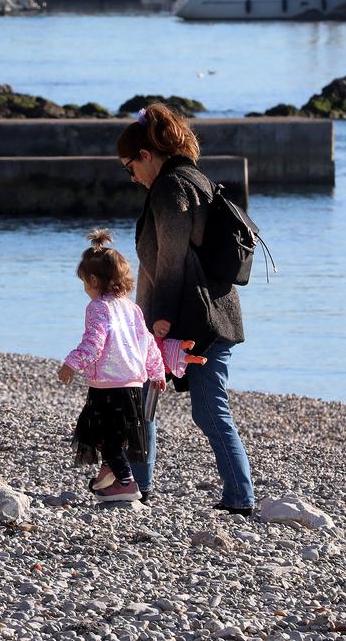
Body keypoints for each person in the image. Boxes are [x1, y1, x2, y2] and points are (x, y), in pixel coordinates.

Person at [119, 104, 255, 514]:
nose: (131, 177)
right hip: (211, 312)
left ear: (146, 155)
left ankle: (239, 497)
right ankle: (138, 484)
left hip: (191, 319)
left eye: (129, 167)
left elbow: (171, 260)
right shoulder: (196, 179)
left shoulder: (170, 188)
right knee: (151, 397)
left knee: (205, 408)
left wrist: (158, 320)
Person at [57, 229, 165, 504]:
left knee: (105, 436)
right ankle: (110, 473)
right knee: (117, 434)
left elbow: (94, 341)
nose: (85, 288)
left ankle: (127, 483)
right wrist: (157, 372)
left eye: (84, 282)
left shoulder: (97, 307)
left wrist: (72, 363)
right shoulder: (131, 308)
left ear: (93, 280)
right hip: (133, 385)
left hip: (108, 384)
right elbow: (148, 343)